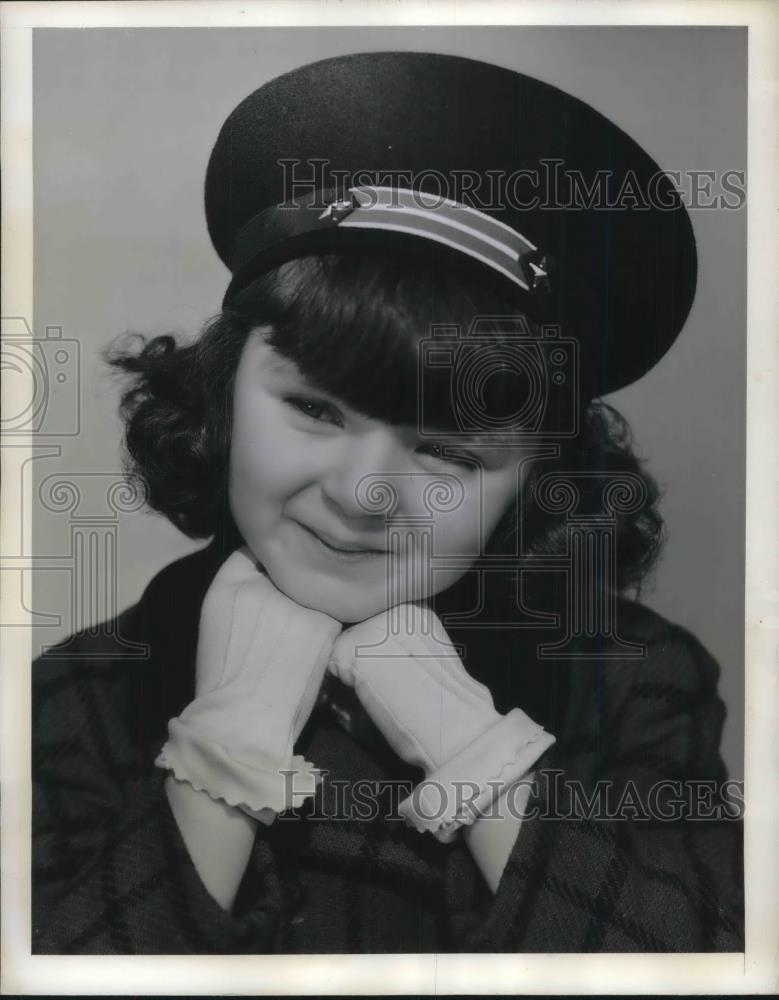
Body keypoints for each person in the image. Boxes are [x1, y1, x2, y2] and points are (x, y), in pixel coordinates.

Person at [32, 51, 744, 954]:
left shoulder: (638, 682)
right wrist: (228, 747)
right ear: (220, 392)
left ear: (537, 476)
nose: (359, 496)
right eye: (313, 409)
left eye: (446, 450)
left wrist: (470, 745)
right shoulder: (77, 694)